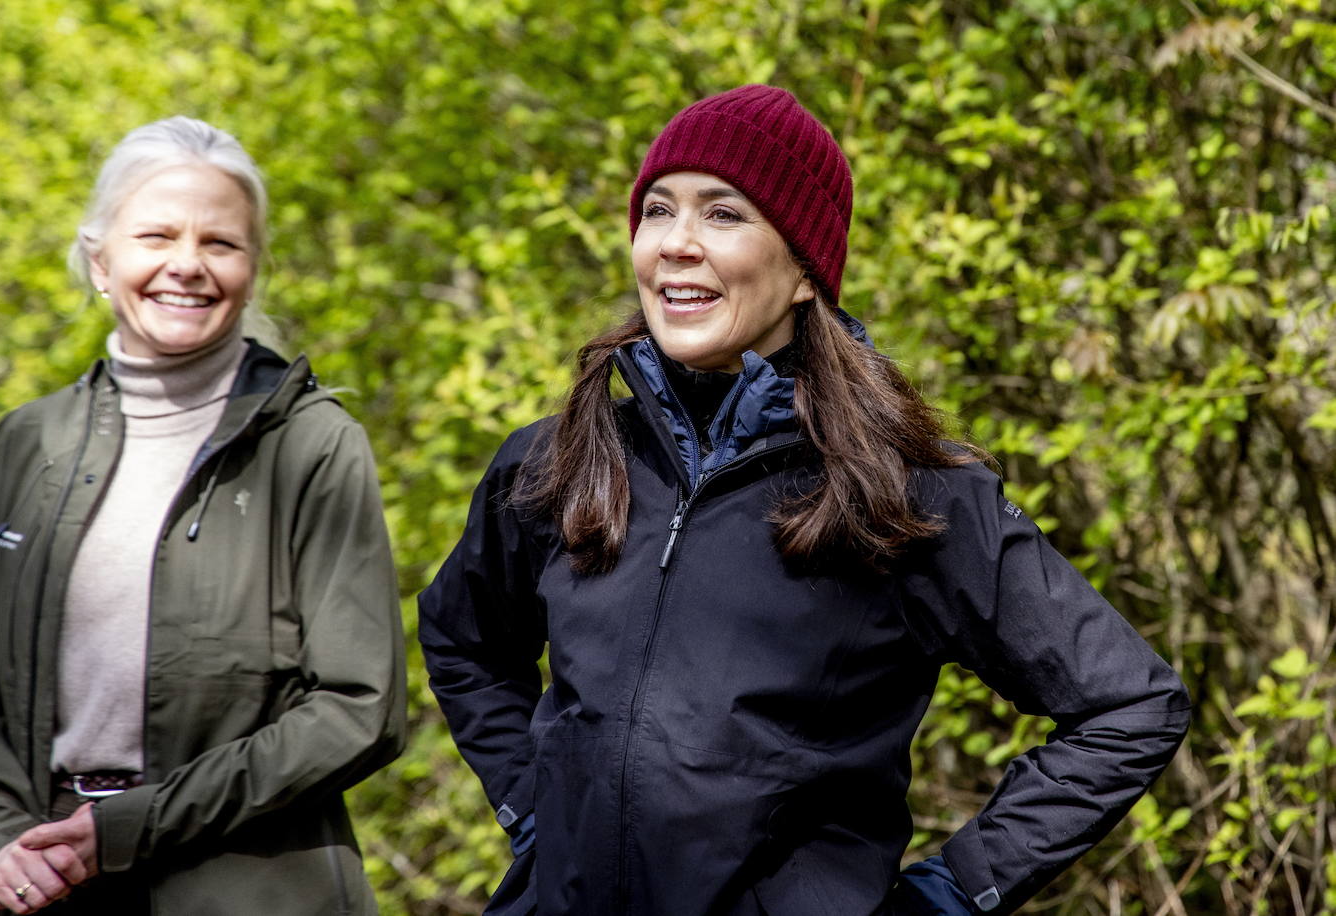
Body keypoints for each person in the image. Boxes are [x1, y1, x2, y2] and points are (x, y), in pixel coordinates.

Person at [418, 85, 1191, 914]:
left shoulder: (907, 493)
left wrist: (948, 896)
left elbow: (1129, 707)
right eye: (656, 210)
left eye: (724, 214)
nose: (676, 244)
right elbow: (463, 640)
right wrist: (535, 814)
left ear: (803, 272)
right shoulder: (562, 457)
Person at [0, 117, 406, 915]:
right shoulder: (18, 449)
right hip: (40, 885)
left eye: (221, 243)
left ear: (252, 267)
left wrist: (129, 825)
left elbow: (358, 708)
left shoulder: (311, 446)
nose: (187, 265)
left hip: (249, 886)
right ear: (101, 260)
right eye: (157, 235)